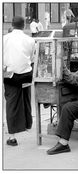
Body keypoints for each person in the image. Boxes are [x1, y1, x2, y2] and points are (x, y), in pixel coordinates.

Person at [3, 16, 35, 146]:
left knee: (11, 103)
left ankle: (12, 137)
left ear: (12, 24)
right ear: (24, 25)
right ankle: (27, 125)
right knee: (26, 99)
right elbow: (32, 58)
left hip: (10, 76)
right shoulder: (30, 40)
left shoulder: (4, 39)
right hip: (26, 76)